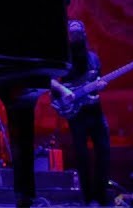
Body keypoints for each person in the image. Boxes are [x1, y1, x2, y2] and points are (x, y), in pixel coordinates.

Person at [51, 20, 112, 206]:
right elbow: (50, 80)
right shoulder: (63, 57)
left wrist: (100, 85)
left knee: (104, 151)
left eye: (78, 32)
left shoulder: (93, 57)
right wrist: (64, 91)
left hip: (95, 110)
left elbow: (96, 81)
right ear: (68, 35)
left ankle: (100, 197)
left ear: (84, 34)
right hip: (76, 113)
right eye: (72, 33)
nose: (76, 35)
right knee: (82, 156)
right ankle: (87, 199)